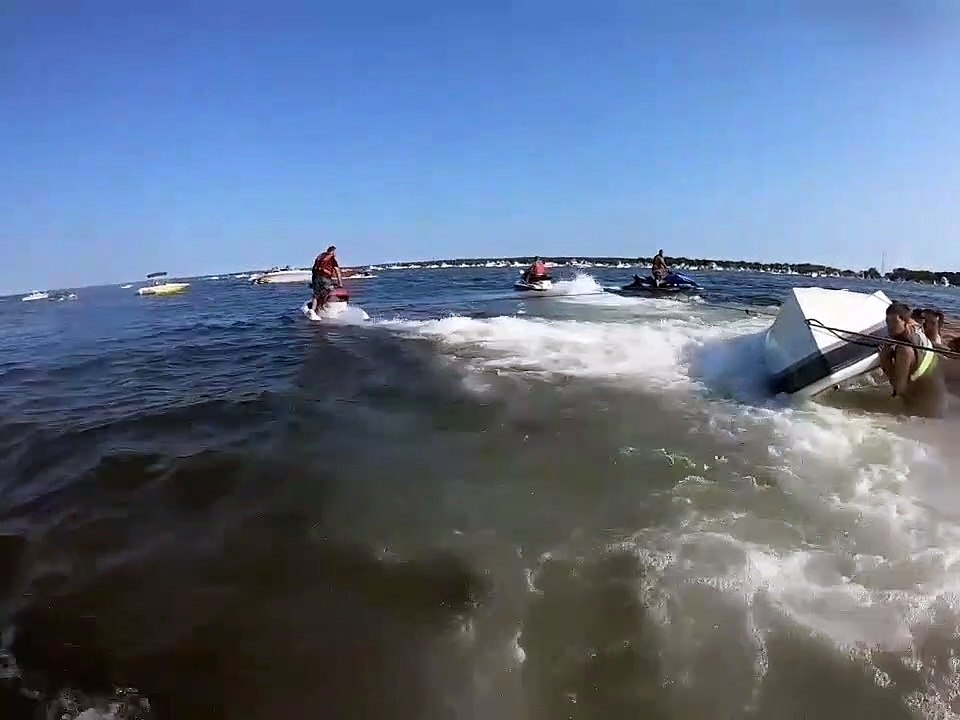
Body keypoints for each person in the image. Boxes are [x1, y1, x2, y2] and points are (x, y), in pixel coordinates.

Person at [878, 302, 946, 417]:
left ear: (906, 322)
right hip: (938, 394)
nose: (890, 327)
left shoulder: (904, 350)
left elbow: (900, 390)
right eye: (888, 322)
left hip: (925, 406)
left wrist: (885, 361)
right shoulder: (914, 327)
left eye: (895, 322)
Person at [311, 245, 343, 311]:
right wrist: (340, 283)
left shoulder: (320, 257)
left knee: (316, 294)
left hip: (315, 277)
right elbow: (337, 271)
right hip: (325, 278)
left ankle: (313, 310)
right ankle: (324, 306)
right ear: (333, 252)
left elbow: (314, 268)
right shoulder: (332, 258)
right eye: (335, 252)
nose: (336, 254)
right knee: (329, 290)